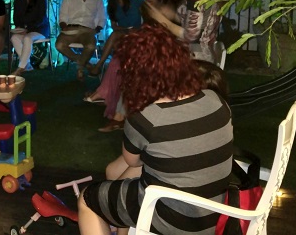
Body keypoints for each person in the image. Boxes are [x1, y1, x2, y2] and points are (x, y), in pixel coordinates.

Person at [78, 25, 233, 235]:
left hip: (172, 219)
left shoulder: (146, 116)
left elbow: (132, 160)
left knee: (88, 199)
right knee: (123, 179)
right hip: (213, 213)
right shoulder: (215, 100)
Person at [55, 0, 106, 81]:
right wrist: (64, 27)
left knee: (91, 46)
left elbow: (102, 18)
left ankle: (80, 69)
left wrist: (97, 30)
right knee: (59, 45)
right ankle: (86, 65)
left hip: (87, 31)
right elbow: (62, 17)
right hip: (71, 29)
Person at [87, 0, 142, 77]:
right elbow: (114, 26)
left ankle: (100, 66)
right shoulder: (112, 5)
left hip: (137, 31)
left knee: (116, 42)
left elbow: (147, 17)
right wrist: (126, 29)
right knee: (115, 37)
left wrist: (138, 29)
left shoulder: (136, 0)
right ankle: (117, 72)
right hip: (122, 32)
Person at [10, 0, 50, 75]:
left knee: (27, 39)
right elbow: (16, 17)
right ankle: (27, 64)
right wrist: (19, 27)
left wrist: (27, 28)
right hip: (25, 29)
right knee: (14, 38)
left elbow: (41, 18)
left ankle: (20, 68)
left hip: (39, 29)